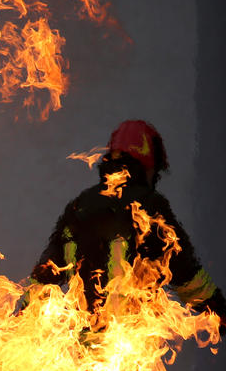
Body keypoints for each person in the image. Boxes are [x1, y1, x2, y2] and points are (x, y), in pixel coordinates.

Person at [24, 120, 225, 325]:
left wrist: (18, 318)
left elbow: (46, 275)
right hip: (131, 345)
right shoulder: (149, 207)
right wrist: (220, 310)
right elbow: (186, 275)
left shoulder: (79, 207)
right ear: (148, 166)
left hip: (82, 348)